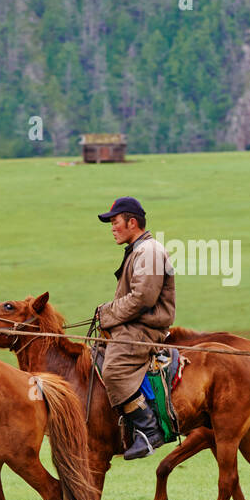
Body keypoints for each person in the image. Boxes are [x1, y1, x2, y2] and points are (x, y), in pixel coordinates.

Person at [94, 197, 176, 460]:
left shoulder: (149, 251)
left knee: (114, 369)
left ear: (132, 222)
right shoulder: (137, 250)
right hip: (132, 325)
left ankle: (149, 430)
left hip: (144, 329)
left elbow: (143, 299)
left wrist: (107, 312)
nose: (112, 228)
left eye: (115, 222)